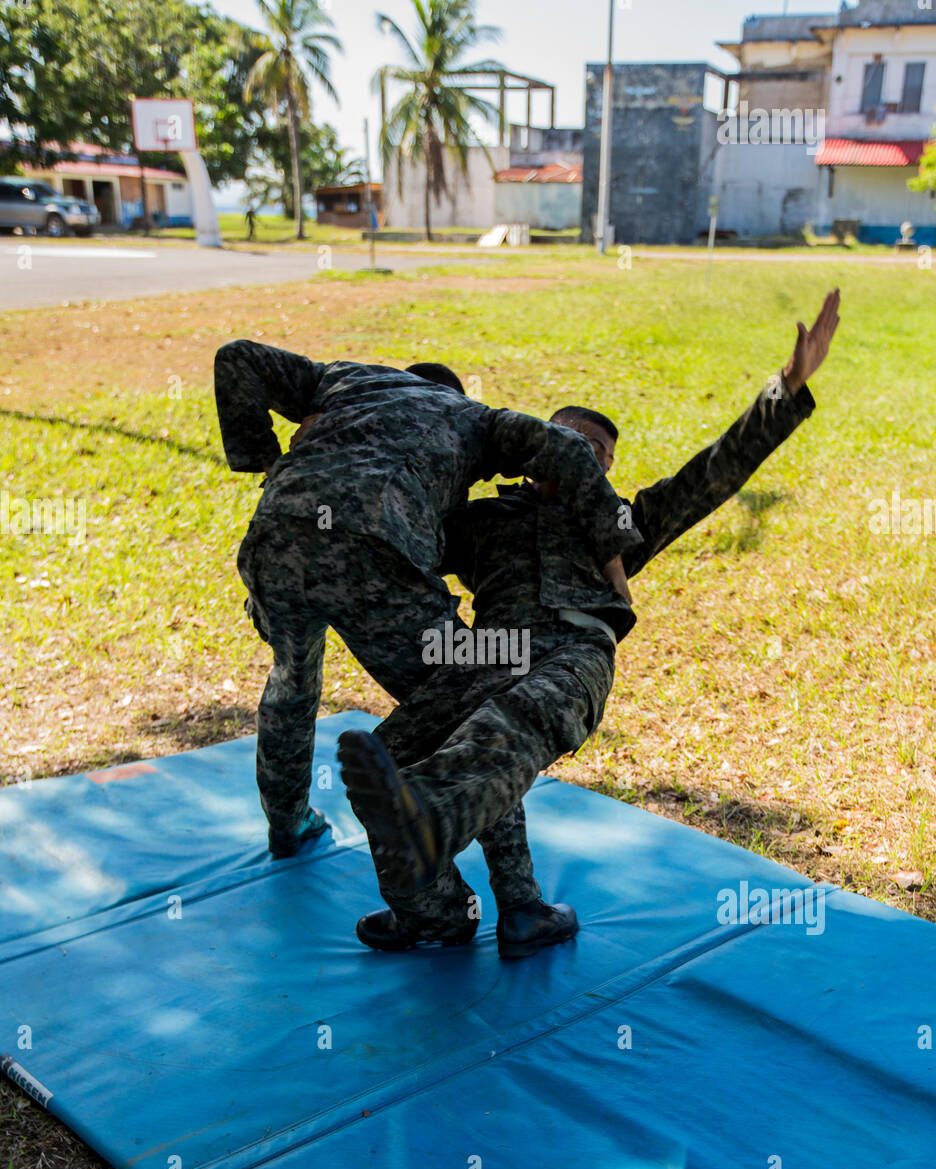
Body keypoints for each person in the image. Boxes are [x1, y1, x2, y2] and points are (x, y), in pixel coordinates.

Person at [338, 290, 841, 959]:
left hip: (574, 649)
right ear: (537, 445)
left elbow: (711, 474)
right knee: (393, 752)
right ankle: (451, 909)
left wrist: (786, 386)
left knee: (505, 726)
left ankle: (432, 820)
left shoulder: (619, 524)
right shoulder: (483, 519)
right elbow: (402, 527)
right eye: (570, 439)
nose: (585, 454)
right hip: (487, 649)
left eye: (599, 452)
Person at [213, 343, 633, 895]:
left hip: (277, 536)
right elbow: (571, 451)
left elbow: (237, 356)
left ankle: (287, 824)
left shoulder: (345, 381)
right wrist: (614, 564)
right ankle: (509, 899)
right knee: (462, 700)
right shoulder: (476, 420)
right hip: (376, 547)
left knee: (292, 681)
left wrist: (267, 461)